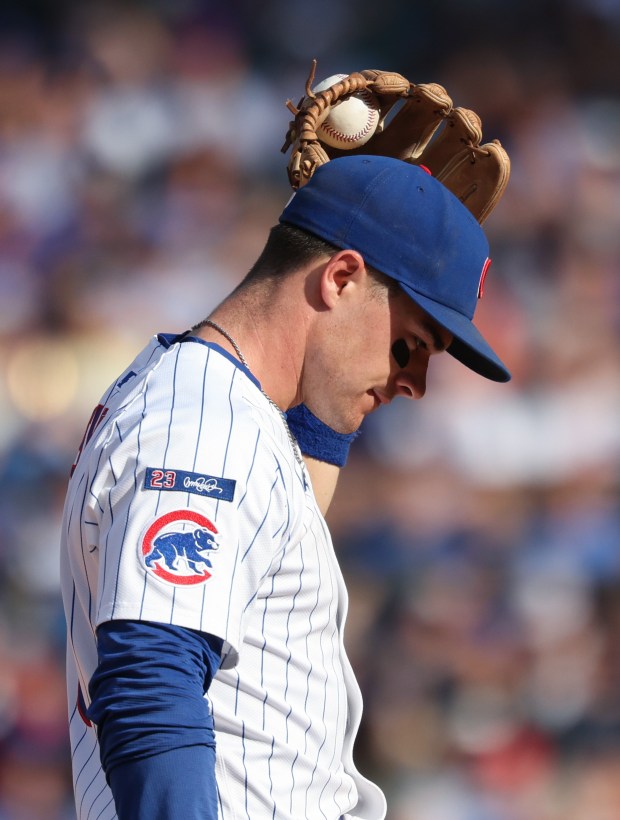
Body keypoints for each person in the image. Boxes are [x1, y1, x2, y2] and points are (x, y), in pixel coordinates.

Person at [60, 154, 510, 820]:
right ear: (342, 277)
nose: (414, 382)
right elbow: (150, 683)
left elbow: (273, 543)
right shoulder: (203, 426)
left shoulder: (210, 402)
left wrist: (371, 190)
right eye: (410, 346)